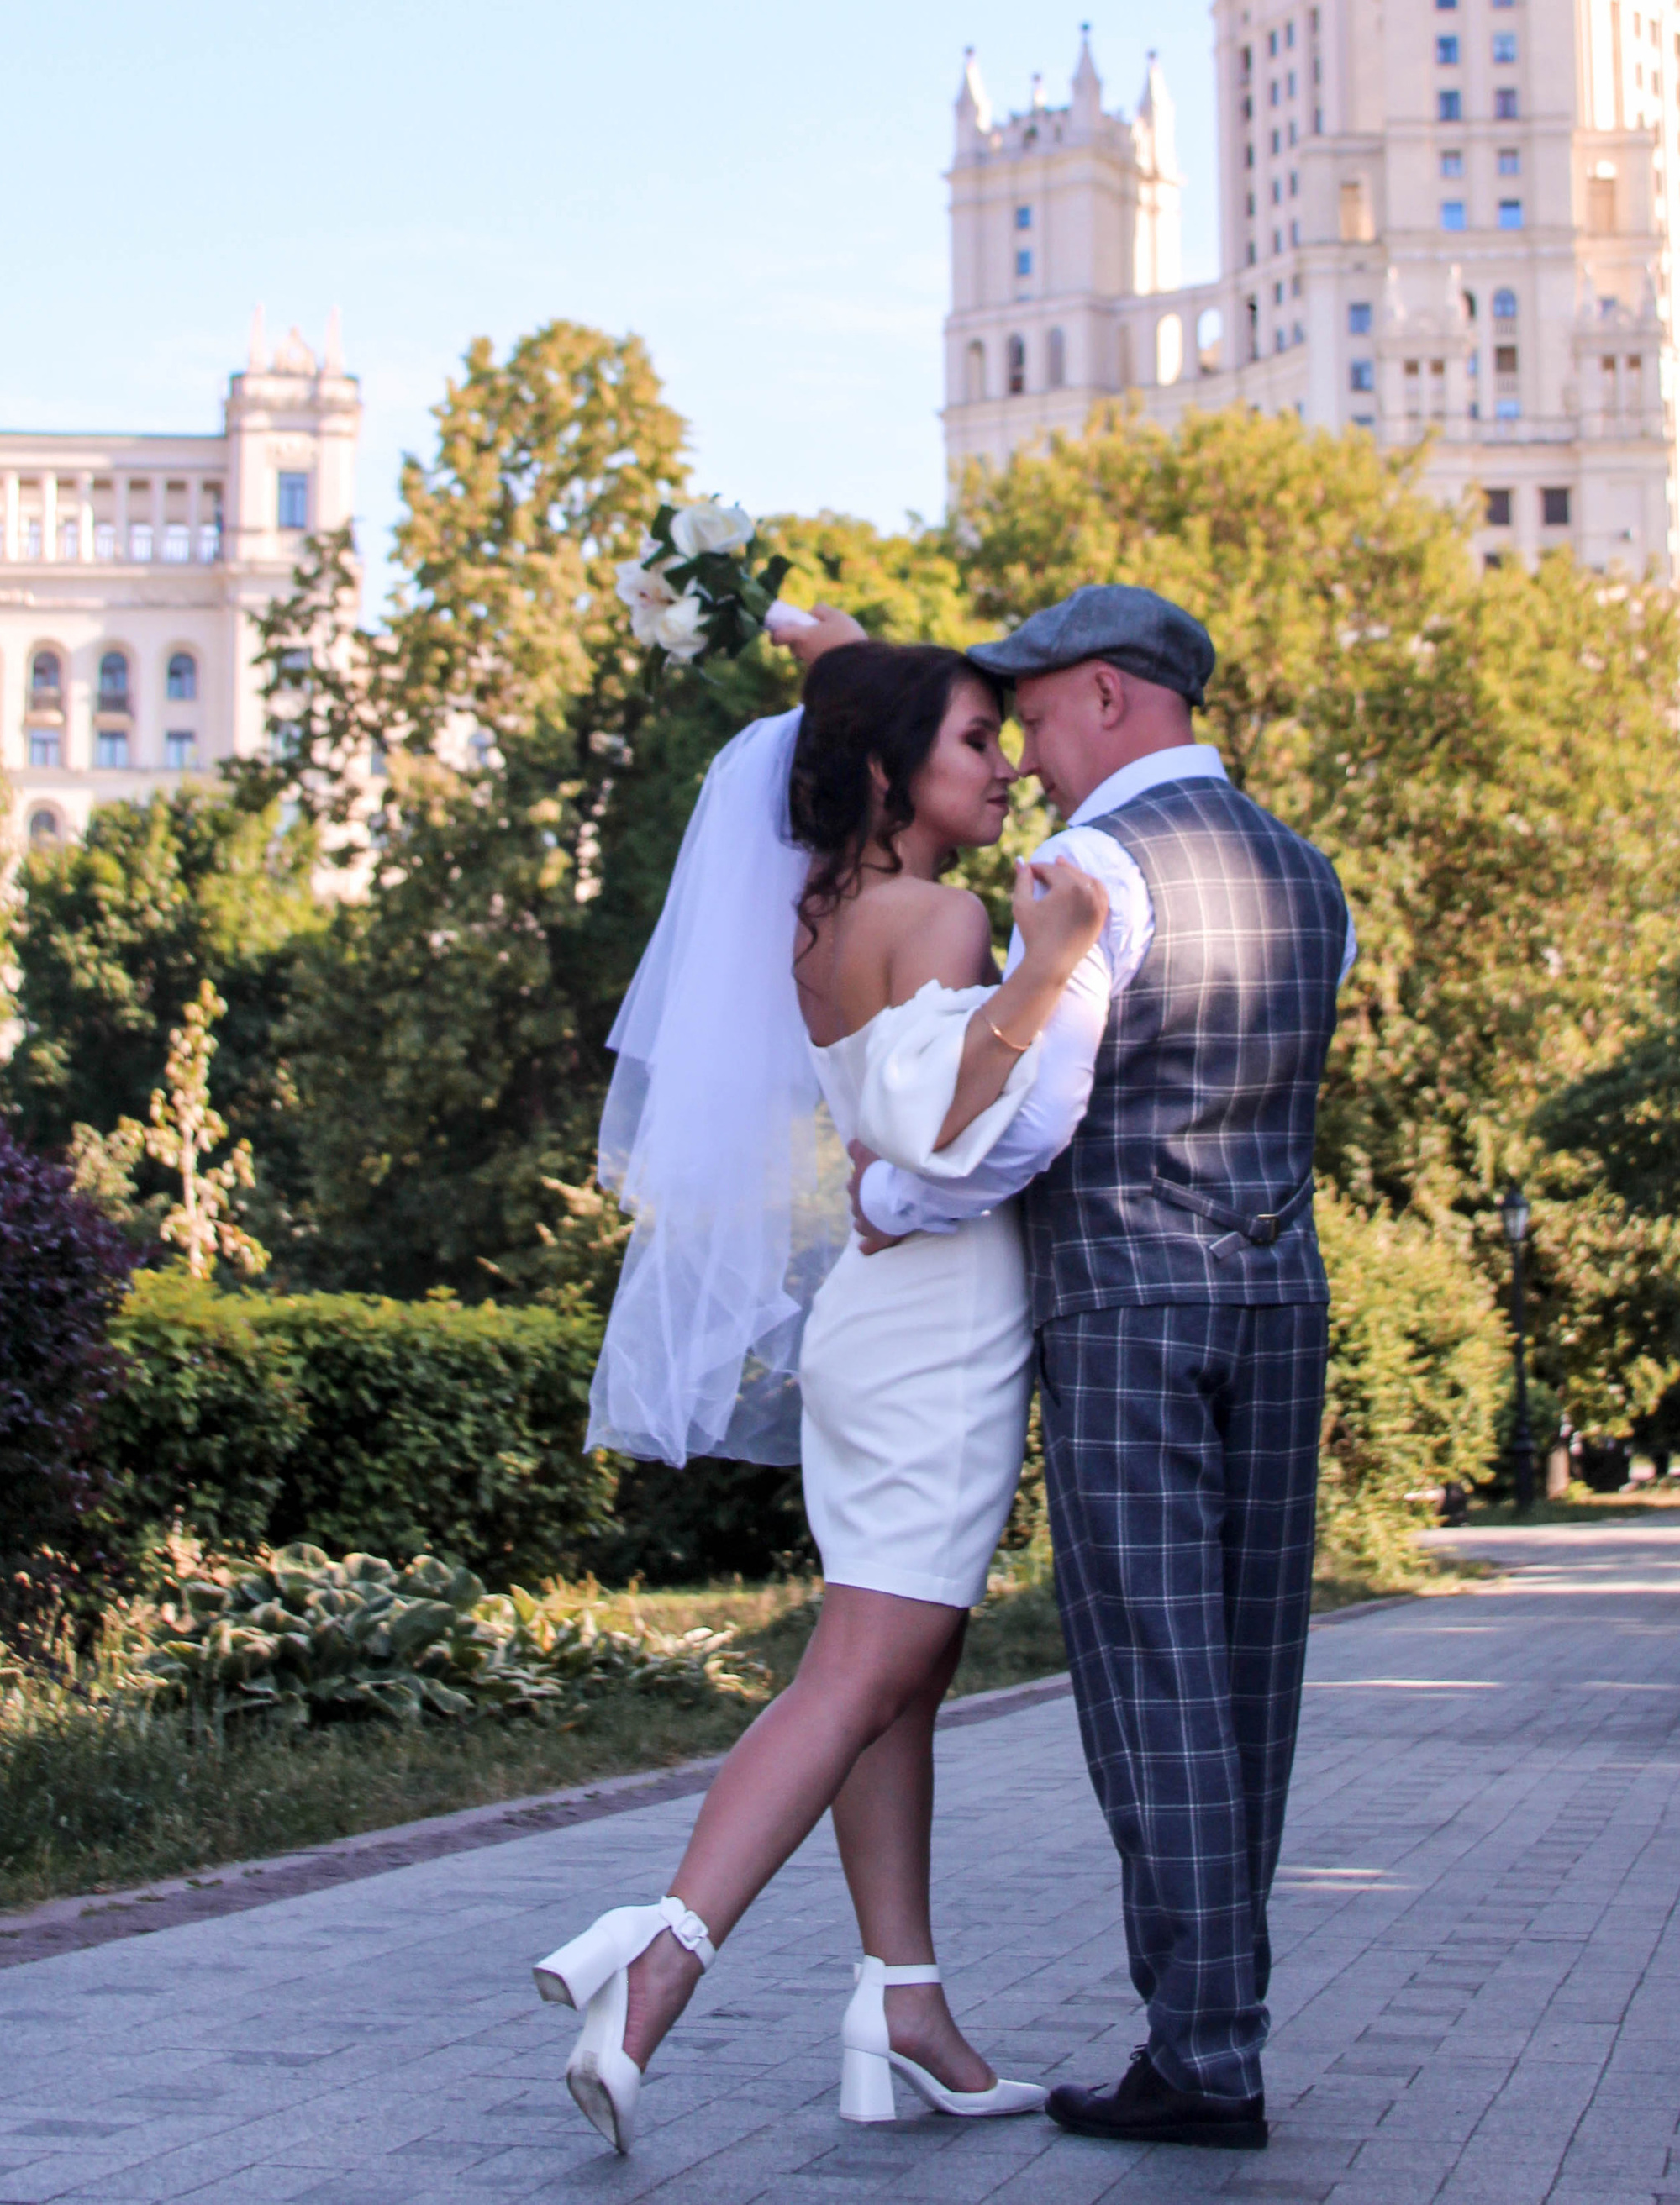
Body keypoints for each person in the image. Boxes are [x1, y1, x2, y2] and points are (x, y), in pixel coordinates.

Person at [534, 622, 1109, 2155]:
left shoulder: (812, 914)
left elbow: (881, 1122)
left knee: (898, 1682)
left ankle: (903, 2002)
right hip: (936, 1333)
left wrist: (855, 655)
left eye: (1004, 737)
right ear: (885, 768)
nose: (1002, 766)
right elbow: (935, 1126)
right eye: (974, 742)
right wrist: (1049, 969)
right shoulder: (944, 915)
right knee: (861, 1671)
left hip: (877, 1318)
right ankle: (657, 1965)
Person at [855, 583, 1354, 2151]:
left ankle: (1204, 2056)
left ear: (1115, 701)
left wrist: (888, 1197)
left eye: (1038, 713)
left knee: (1155, 1680)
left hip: (1131, 1304)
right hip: (1280, 1301)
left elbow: (1031, 1121)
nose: (1025, 749)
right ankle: (1217, 2029)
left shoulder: (1094, 869)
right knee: (1253, 1681)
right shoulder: (1311, 875)